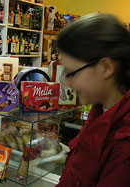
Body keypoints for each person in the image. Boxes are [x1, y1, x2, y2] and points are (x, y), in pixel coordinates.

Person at [56, 13, 130, 186]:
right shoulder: (100, 112)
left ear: (106, 67)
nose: (66, 82)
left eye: (71, 72)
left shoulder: (124, 145)